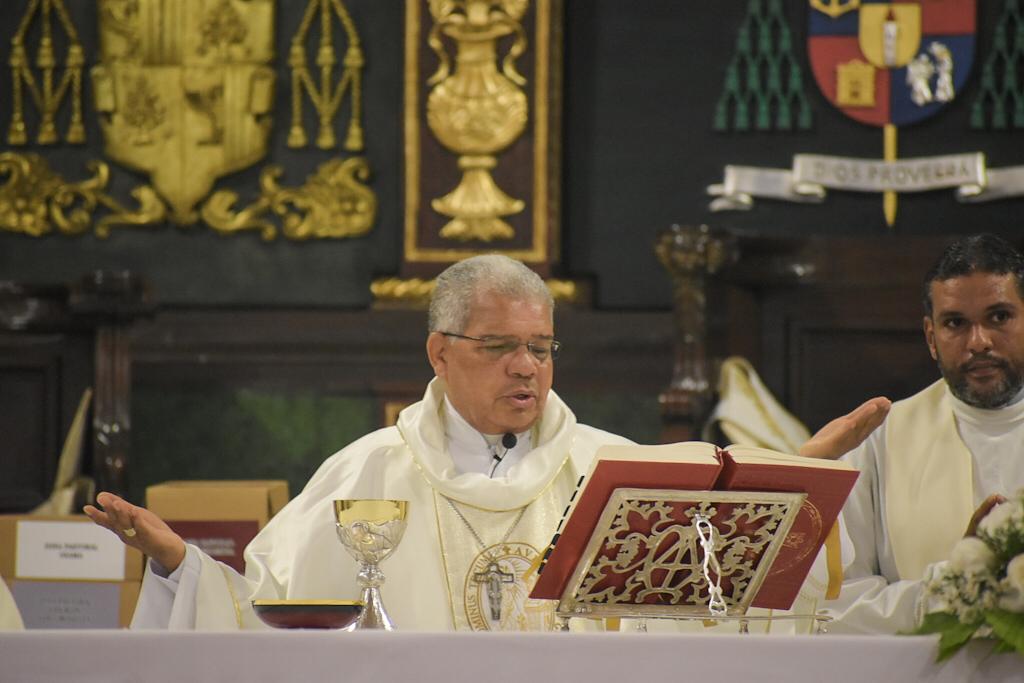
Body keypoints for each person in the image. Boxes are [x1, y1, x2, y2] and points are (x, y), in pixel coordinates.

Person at [84, 255, 633, 631]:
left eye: (541, 348)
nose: (525, 367)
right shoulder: (366, 472)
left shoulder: (616, 472)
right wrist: (180, 564)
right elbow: (269, 616)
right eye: (499, 346)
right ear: (439, 353)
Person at [798, 233, 1024, 634]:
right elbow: (839, 605)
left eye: (999, 317)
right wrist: (948, 591)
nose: (979, 342)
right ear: (931, 337)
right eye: (956, 323)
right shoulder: (879, 441)